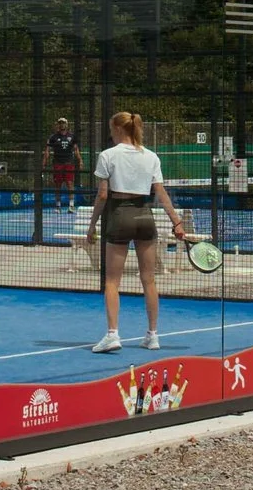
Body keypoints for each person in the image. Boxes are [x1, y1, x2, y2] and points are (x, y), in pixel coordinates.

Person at [85, 110, 192, 353]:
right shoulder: (151, 156)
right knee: (149, 279)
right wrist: (177, 223)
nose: (110, 133)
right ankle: (152, 336)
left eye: (111, 129)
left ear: (118, 129)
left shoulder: (108, 155)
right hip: (145, 216)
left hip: (120, 215)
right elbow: (161, 193)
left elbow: (103, 195)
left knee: (112, 281)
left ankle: (112, 335)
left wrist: (92, 225)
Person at [46, 116, 81, 214]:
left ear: (67, 125)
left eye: (63, 123)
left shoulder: (72, 136)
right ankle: (58, 206)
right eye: (60, 123)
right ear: (58, 125)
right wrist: (44, 161)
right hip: (58, 163)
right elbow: (48, 150)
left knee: (70, 183)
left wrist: (80, 160)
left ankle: (71, 206)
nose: (62, 125)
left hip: (68, 163)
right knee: (58, 184)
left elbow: (76, 150)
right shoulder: (53, 137)